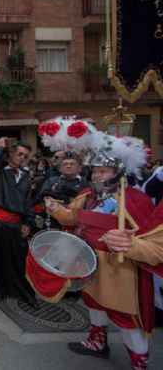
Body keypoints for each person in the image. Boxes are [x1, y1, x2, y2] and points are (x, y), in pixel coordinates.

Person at [46, 152, 163, 370]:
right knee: (93, 301)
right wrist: (57, 210)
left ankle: (140, 362)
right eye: (95, 170)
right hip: (89, 261)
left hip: (119, 268)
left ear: (117, 172)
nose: (97, 175)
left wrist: (130, 244)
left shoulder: (135, 200)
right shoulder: (87, 196)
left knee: (126, 316)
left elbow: (149, 241)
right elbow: (73, 219)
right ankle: (97, 342)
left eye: (103, 170)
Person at [0, 137, 38, 309]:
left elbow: (28, 202)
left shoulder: (25, 175)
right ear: (9, 154)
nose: (22, 158)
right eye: (19, 154)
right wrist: (0, 149)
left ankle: (24, 292)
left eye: (25, 155)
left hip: (16, 223)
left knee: (19, 260)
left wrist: (28, 223)